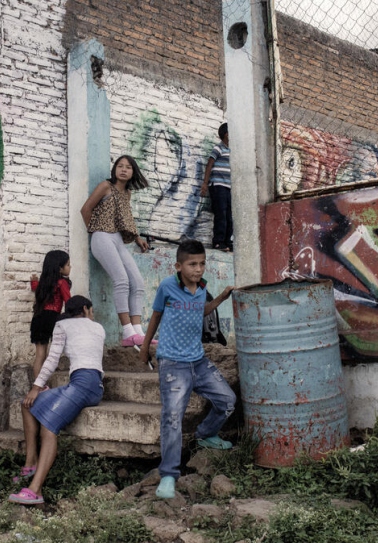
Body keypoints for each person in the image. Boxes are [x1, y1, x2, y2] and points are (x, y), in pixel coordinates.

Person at [139, 239, 237, 500]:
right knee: (172, 417)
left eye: (202, 263)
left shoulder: (202, 287)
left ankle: (205, 434)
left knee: (227, 400)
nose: (199, 269)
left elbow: (201, 311)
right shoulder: (167, 286)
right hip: (172, 363)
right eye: (193, 264)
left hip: (199, 361)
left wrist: (221, 298)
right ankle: (169, 474)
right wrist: (144, 346)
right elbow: (156, 316)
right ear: (178, 265)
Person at [9, 296, 106, 505]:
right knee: (27, 404)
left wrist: (36, 386)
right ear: (86, 309)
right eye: (92, 310)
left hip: (84, 384)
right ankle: (31, 462)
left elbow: (52, 359)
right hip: (90, 384)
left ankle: (35, 490)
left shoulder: (62, 325)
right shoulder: (98, 327)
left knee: (49, 428)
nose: (93, 314)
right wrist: (35, 391)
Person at [81, 154, 155, 347]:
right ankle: (127, 332)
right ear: (114, 170)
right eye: (120, 166)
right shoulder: (106, 186)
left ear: (133, 172)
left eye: (128, 167)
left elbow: (125, 219)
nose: (123, 169)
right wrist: (95, 232)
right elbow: (86, 209)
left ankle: (138, 332)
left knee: (137, 282)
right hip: (102, 236)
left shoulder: (127, 194)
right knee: (121, 280)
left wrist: (137, 237)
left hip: (117, 239)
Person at [29, 250, 72, 380]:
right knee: (53, 355)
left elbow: (36, 287)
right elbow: (68, 302)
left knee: (40, 355)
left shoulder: (44, 283)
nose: (70, 267)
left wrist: (33, 282)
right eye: (68, 265)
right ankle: (46, 381)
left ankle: (38, 385)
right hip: (52, 319)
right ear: (60, 268)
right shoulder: (62, 283)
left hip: (39, 318)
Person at [200, 123, 232, 252]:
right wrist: (205, 184)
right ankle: (218, 242)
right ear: (227, 135)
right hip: (218, 186)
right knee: (221, 214)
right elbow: (209, 165)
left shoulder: (232, 151)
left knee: (229, 216)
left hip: (228, 187)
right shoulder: (219, 148)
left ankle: (227, 241)